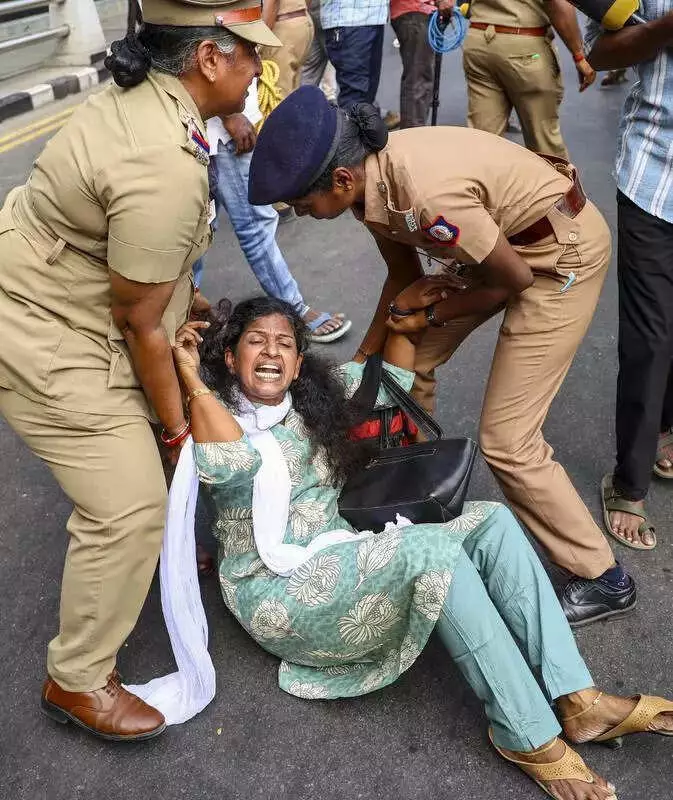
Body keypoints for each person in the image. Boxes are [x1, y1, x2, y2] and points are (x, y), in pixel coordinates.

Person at [171, 295, 673, 800]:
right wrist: (191, 375)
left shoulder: (305, 399)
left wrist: (402, 320)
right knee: (433, 550)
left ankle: (579, 700)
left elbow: (389, 377)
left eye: (284, 343)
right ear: (231, 358)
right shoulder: (215, 415)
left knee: (491, 522)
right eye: (255, 341)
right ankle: (527, 734)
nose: (271, 352)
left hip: (333, 549)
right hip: (278, 589)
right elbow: (231, 460)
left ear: (299, 363)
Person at [247, 85, 636, 628]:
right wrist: (359, 371)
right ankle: (411, 496)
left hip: (555, 258)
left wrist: (430, 316)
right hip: (498, 247)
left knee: (507, 439)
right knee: (409, 360)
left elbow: (512, 281)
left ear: (339, 180)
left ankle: (603, 576)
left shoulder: (424, 196)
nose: (299, 213)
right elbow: (404, 280)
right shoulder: (367, 186)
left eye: (300, 202)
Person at [0, 0, 278, 741]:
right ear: (209, 60)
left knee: (146, 467)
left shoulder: (155, 101)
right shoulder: (162, 161)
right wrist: (177, 429)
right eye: (249, 52)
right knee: (128, 505)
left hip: (71, 291)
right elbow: (140, 323)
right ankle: (78, 680)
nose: (260, 65)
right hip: (45, 325)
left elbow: (140, 282)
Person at [586, 6, 673, 549]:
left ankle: (665, 430)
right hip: (655, 172)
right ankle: (630, 481)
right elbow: (602, 50)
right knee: (651, 336)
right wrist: (666, 29)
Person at [193, 84, 352, 342]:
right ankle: (294, 309)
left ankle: (184, 311)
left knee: (200, 228)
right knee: (251, 225)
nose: (257, 69)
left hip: (215, 121)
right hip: (220, 129)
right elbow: (204, 46)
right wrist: (228, 114)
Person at [462, 0, 596, 157]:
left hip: (479, 40)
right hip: (524, 45)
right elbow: (558, 3)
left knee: (483, 140)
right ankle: (553, 181)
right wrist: (579, 55)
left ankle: (479, 180)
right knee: (544, 144)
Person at [390, 0, 437, 128]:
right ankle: (413, 136)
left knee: (419, 76)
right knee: (418, 78)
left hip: (416, 11)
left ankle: (413, 132)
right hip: (414, 11)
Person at [259, 0, 315, 100]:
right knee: (292, 92)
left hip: (282, 24)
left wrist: (259, 40)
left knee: (278, 93)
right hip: (301, 20)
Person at [301, 0, 339, 101]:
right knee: (346, 70)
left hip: (311, 10)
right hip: (328, 11)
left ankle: (302, 107)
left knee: (310, 69)